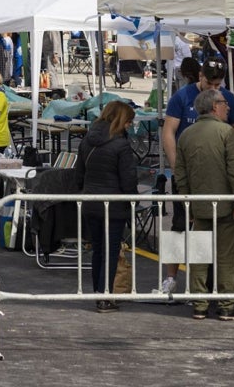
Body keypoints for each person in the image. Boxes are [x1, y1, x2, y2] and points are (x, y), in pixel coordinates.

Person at [175, 89, 234, 320]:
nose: (228, 107)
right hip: (225, 205)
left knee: (199, 256)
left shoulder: (186, 135)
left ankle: (199, 304)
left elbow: (181, 173)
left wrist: (187, 201)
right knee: (226, 257)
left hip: (199, 205)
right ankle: (227, 306)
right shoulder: (227, 133)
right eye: (225, 103)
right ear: (214, 106)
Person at [73, 100, 137, 313]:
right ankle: (105, 296)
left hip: (90, 203)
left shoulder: (87, 140)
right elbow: (128, 181)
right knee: (110, 251)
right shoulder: (121, 145)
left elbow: (78, 174)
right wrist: (132, 202)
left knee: (98, 250)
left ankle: (98, 293)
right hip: (114, 204)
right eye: (129, 122)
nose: (130, 126)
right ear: (121, 121)